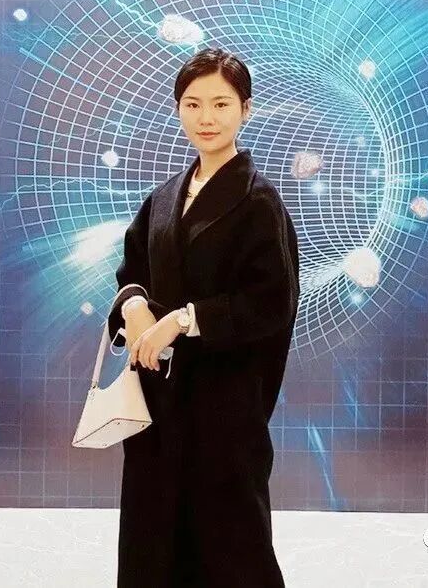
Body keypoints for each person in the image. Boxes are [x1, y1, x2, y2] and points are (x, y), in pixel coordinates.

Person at [105, 47, 300, 587]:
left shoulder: (259, 202)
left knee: (230, 545)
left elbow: (271, 302)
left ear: (245, 110)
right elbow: (132, 271)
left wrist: (185, 319)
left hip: (224, 410)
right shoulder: (164, 197)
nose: (206, 118)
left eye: (221, 103)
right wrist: (136, 306)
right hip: (157, 404)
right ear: (178, 109)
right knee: (151, 539)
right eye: (193, 104)